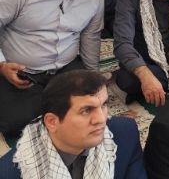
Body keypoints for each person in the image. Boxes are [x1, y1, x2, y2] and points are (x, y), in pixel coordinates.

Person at [0, 0, 103, 138]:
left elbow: (91, 35)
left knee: (90, 106)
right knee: (15, 123)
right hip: (22, 72)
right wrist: (2, 65)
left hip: (66, 66)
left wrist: (93, 77)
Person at [0, 70, 146, 178]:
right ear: (52, 122)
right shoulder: (12, 172)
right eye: (86, 110)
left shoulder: (125, 134)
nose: (101, 119)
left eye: (103, 105)